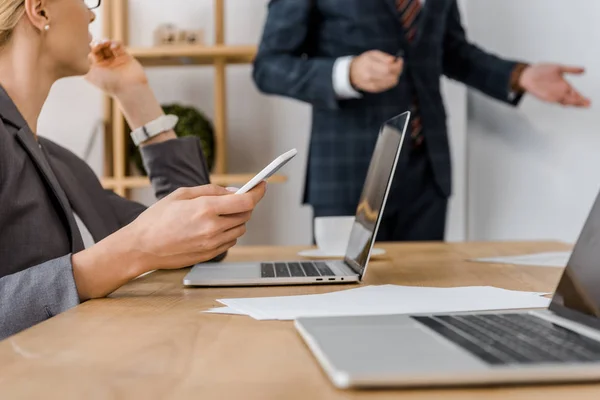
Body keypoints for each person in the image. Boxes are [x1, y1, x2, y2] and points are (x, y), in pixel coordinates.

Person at [0, 0, 266, 339]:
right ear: (40, 10)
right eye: (85, 1)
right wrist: (130, 251)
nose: (92, 13)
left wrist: (133, 93)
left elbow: (199, 243)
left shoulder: (63, 164)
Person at [252, 0, 590, 242]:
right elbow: (268, 67)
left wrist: (519, 76)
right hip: (349, 176)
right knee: (345, 307)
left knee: (423, 307)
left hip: (427, 174)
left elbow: (452, 51)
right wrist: (347, 73)